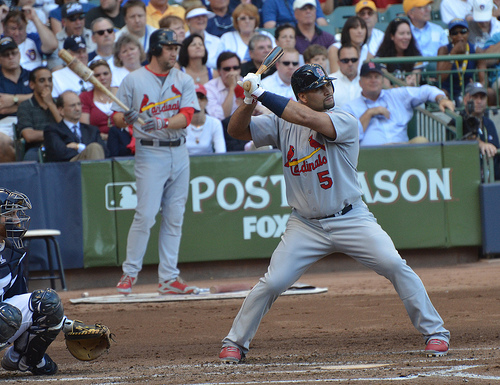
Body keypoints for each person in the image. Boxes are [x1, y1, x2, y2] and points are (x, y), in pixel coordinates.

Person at [218, 63, 451, 364]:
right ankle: (235, 342)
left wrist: (261, 93)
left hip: (350, 218)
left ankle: (435, 332)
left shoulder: (343, 118)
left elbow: (303, 116)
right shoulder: (282, 122)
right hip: (305, 225)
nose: (328, 89)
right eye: (318, 87)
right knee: (273, 283)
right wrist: (248, 100)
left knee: (394, 264)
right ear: (302, 95)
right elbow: (235, 131)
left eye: (328, 83)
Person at [111, 29, 201, 296]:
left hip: (179, 151)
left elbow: (187, 116)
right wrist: (125, 118)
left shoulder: (183, 79)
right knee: (146, 214)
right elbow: (115, 118)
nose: (174, 52)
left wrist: (162, 121)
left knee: (174, 217)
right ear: (155, 50)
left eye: (176, 47)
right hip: (150, 151)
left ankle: (169, 278)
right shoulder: (133, 80)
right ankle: (129, 274)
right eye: (169, 47)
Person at [0, 188, 106, 375]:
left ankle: (24, 360)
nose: (16, 220)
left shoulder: (12, 253)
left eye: (16, 213)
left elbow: (17, 301)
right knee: (7, 315)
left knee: (47, 303)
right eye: (9, 214)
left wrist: (65, 324)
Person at [342, 62, 455, 146]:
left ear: (382, 80)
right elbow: (350, 138)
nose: (373, 80)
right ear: (360, 82)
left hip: (402, 151)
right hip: (371, 156)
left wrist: (441, 99)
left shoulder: (396, 95)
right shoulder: (350, 107)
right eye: (368, 77)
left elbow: (425, 91)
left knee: (421, 141)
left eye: (376, 76)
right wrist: (370, 113)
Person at [44, 90, 107, 161]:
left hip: (91, 166)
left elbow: (104, 152)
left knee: (95, 148)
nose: (77, 109)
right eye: (72, 105)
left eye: (79, 104)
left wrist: (78, 147)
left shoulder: (92, 130)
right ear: (61, 110)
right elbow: (60, 154)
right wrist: (87, 151)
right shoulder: (52, 130)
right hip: (68, 168)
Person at [16, 66, 62, 161]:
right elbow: (29, 135)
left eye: (50, 80)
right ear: (32, 85)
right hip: (36, 149)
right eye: (42, 80)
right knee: (31, 158)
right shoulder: (25, 106)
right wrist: (56, 134)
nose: (47, 84)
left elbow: (66, 128)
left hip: (61, 146)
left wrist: (50, 104)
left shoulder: (59, 103)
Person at [437, 18, 486, 105]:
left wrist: (477, 88)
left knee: (487, 93)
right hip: (448, 90)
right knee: (441, 93)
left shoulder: (477, 51)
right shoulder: (444, 50)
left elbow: (483, 80)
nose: (459, 35)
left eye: (463, 31)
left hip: (468, 90)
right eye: (454, 33)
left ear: (468, 33)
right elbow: (440, 78)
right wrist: (453, 54)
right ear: (450, 36)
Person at [461, 82, 500, 180]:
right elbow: (466, 137)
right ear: (466, 100)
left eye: (482, 98)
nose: (479, 101)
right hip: (468, 180)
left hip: (493, 180)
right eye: (475, 97)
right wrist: (481, 144)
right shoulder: (459, 120)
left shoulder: (489, 123)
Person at [376, 17, 424, 87]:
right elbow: (387, 88)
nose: (406, 37)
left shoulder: (416, 55)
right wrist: (404, 83)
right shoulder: (381, 56)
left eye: (408, 33)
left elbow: (414, 84)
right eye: (401, 34)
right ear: (392, 36)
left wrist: (399, 85)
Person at [0, 37, 32, 133]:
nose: (11, 57)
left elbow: (44, 98)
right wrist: (31, 102)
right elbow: (2, 110)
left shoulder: (32, 75)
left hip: (32, 120)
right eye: (6, 55)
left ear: (19, 54)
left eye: (14, 53)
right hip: (4, 124)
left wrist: (14, 99)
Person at [79, 60, 117, 141]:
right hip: (98, 140)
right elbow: (85, 128)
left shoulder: (121, 92)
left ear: (111, 74)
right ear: (91, 79)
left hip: (122, 140)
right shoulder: (85, 97)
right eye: (97, 75)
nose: (102, 78)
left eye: (105, 74)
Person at [186, 83, 226, 154]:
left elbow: (221, 153)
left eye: (201, 97)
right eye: (193, 97)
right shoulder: (180, 123)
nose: (197, 101)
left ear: (206, 101)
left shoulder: (215, 123)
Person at [205, 51, 242, 120]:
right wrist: (232, 88)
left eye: (235, 68)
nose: (232, 72)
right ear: (219, 71)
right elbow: (220, 117)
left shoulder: (248, 83)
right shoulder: (209, 88)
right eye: (227, 69)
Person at [185, 6, 221, 70]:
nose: (201, 19)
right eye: (196, 16)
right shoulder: (181, 41)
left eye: (204, 16)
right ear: (188, 21)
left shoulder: (217, 41)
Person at [262, 0, 328, 28]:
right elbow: (269, 27)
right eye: (305, 8)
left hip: (311, 34)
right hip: (287, 38)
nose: (308, 11)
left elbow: (322, 23)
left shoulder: (311, 0)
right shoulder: (271, 1)